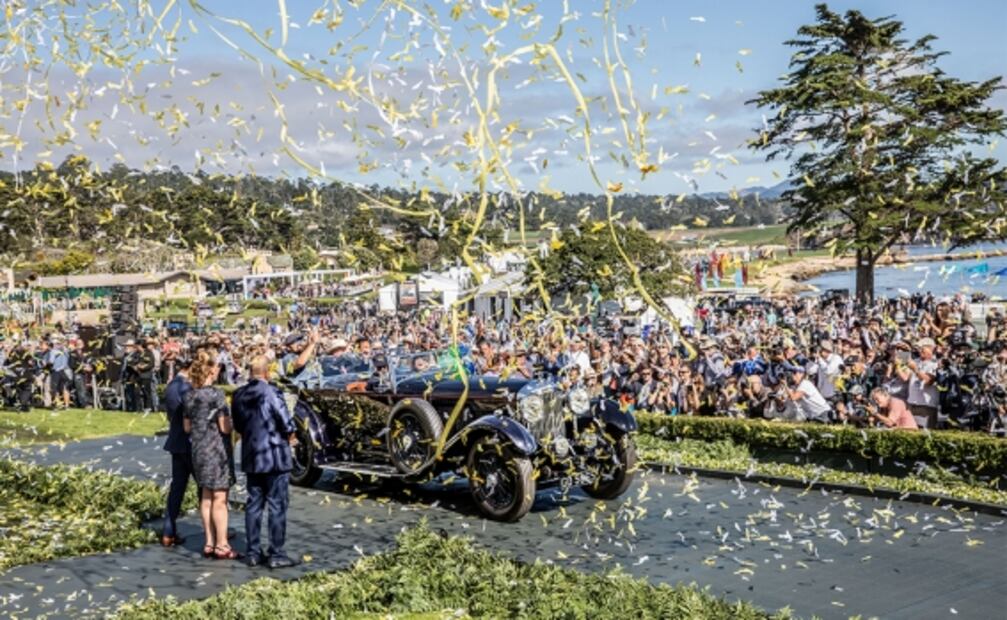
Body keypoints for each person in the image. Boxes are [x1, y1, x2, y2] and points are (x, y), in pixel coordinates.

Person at [231, 355, 298, 569]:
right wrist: (290, 434)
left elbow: (238, 424)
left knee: (254, 504)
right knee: (277, 505)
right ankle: (276, 553)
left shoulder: (239, 394)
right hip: (274, 454)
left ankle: (252, 552)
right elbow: (284, 420)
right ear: (267, 372)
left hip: (252, 453)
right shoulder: (271, 391)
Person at [183, 348, 239, 560]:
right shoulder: (216, 395)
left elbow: (187, 427)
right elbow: (225, 427)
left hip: (198, 449)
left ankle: (208, 541)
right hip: (216, 449)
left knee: (205, 496)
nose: (218, 370)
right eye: (216, 367)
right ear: (209, 370)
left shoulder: (189, 396)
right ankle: (222, 544)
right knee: (220, 498)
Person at [161, 357, 195, 547]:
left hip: (175, 441)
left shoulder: (171, 385)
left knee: (177, 488)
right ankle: (213, 534)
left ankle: (168, 529)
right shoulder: (186, 388)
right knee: (204, 489)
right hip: (189, 442)